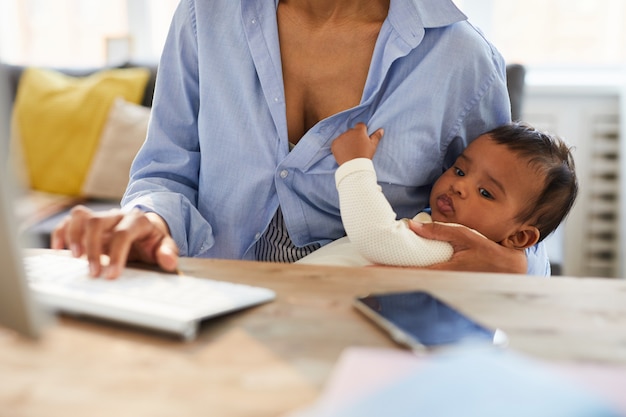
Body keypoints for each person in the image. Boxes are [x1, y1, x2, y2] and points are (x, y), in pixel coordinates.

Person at [51, 0, 549, 279]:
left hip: (374, 333)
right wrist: (150, 219)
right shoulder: (206, 16)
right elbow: (166, 170)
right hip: (211, 305)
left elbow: (517, 215)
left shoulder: (461, 59)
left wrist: (517, 265)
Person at [297, 122, 578, 269]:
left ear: (519, 237)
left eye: (485, 192)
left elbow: (376, 238)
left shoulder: (452, 251)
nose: (459, 186)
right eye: (459, 170)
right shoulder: (432, 226)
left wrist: (354, 166)